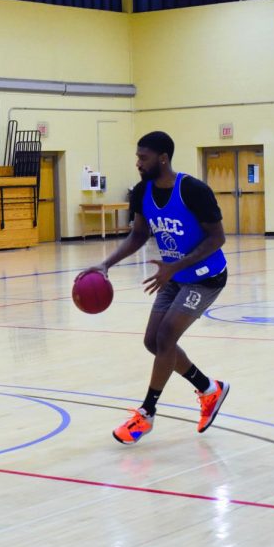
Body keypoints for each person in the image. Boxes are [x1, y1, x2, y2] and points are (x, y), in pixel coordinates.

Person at [83, 131, 229, 445]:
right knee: (153, 341)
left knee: (166, 337)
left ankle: (146, 414)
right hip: (173, 274)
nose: (138, 163)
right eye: (138, 157)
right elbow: (138, 236)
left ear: (163, 158)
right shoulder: (142, 192)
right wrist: (106, 264)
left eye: (143, 157)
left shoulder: (193, 190)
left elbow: (217, 239)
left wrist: (176, 266)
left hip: (206, 276)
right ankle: (209, 389)